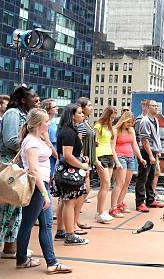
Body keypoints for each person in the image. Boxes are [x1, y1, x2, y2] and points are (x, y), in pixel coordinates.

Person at [16, 108, 72, 274]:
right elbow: (33, 170)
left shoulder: (36, 139)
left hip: (41, 185)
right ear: (39, 124)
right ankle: (49, 262)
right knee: (36, 225)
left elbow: (54, 155)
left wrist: (46, 138)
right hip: (37, 187)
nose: (49, 123)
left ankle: (28, 260)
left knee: (38, 224)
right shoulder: (31, 142)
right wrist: (43, 193)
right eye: (46, 121)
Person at [0, 85, 40, 258]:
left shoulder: (24, 115)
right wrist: (32, 144)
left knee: (16, 207)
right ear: (22, 100)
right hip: (8, 168)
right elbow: (11, 140)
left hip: (17, 167)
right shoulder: (12, 113)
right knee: (9, 207)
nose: (36, 99)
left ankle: (13, 247)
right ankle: (9, 248)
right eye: (33, 97)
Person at [51, 104, 89, 245]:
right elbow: (67, 155)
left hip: (65, 170)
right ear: (72, 115)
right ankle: (70, 235)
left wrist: (81, 159)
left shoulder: (67, 130)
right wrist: (82, 165)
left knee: (64, 201)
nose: (82, 115)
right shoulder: (68, 132)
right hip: (69, 172)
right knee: (69, 203)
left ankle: (61, 231)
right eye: (79, 113)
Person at [111, 112, 145, 217]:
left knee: (126, 183)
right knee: (119, 183)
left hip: (130, 157)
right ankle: (113, 207)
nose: (130, 124)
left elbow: (134, 145)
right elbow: (112, 147)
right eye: (128, 122)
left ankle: (120, 203)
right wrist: (116, 161)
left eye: (131, 122)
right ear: (123, 121)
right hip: (120, 157)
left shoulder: (131, 130)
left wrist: (140, 158)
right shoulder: (116, 130)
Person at [135, 100, 164, 212]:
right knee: (142, 178)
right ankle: (140, 202)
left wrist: (158, 151)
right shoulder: (145, 121)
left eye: (157, 106)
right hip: (146, 153)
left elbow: (155, 136)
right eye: (154, 106)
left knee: (151, 177)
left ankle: (150, 200)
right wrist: (150, 155)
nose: (156, 108)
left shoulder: (155, 120)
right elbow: (145, 140)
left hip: (153, 152)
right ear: (148, 107)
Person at [93, 106, 117, 223]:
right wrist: (96, 159)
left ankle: (101, 211)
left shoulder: (110, 126)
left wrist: (115, 159)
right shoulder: (98, 125)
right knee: (105, 183)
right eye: (111, 117)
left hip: (109, 155)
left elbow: (111, 143)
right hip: (101, 155)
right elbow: (94, 143)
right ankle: (99, 212)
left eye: (114, 118)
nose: (113, 119)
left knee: (107, 185)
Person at [74, 97, 94, 231]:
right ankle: (72, 222)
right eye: (90, 106)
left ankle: (75, 220)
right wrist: (81, 159)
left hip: (87, 160)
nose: (92, 108)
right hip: (80, 160)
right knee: (79, 191)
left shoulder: (85, 122)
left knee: (84, 191)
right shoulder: (79, 125)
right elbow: (79, 142)